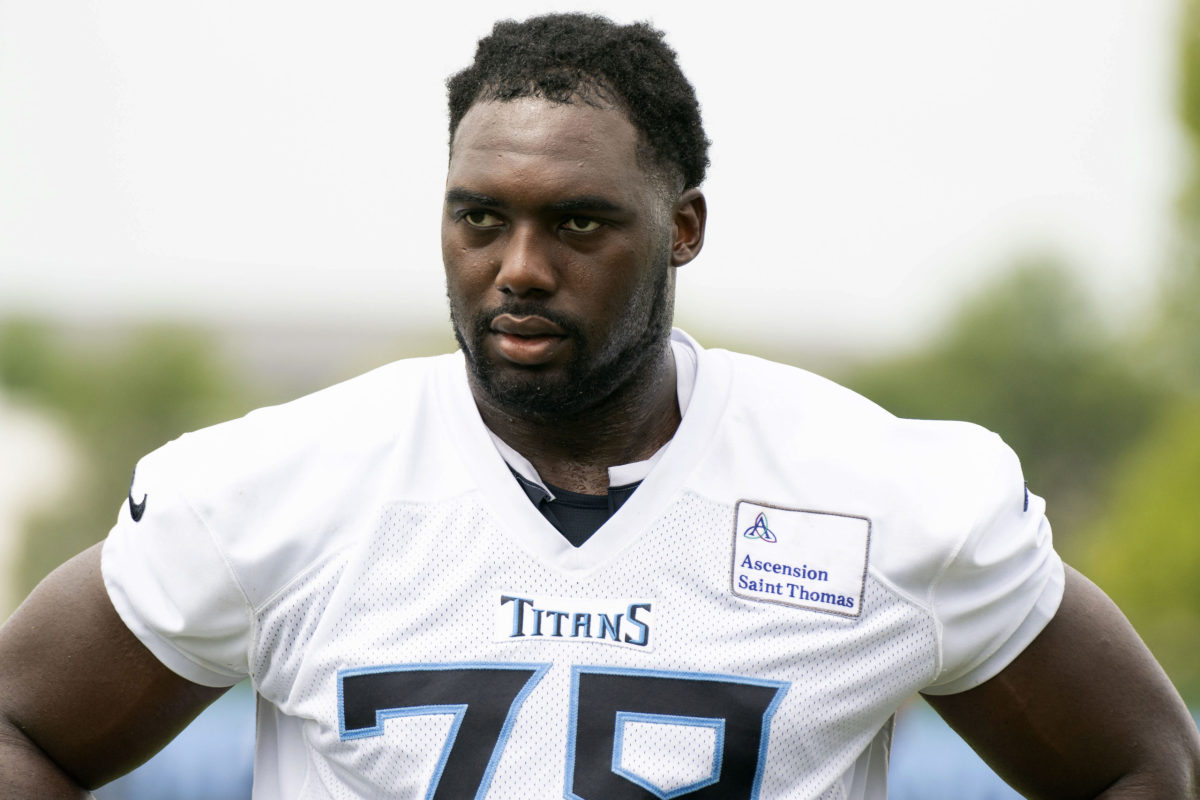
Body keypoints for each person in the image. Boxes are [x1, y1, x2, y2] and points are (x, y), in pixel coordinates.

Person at [1, 12, 1197, 799]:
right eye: (480, 216)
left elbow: (1143, 764)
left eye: (577, 221)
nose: (519, 264)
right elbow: (24, 726)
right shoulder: (271, 488)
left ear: (682, 228)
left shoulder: (886, 496)